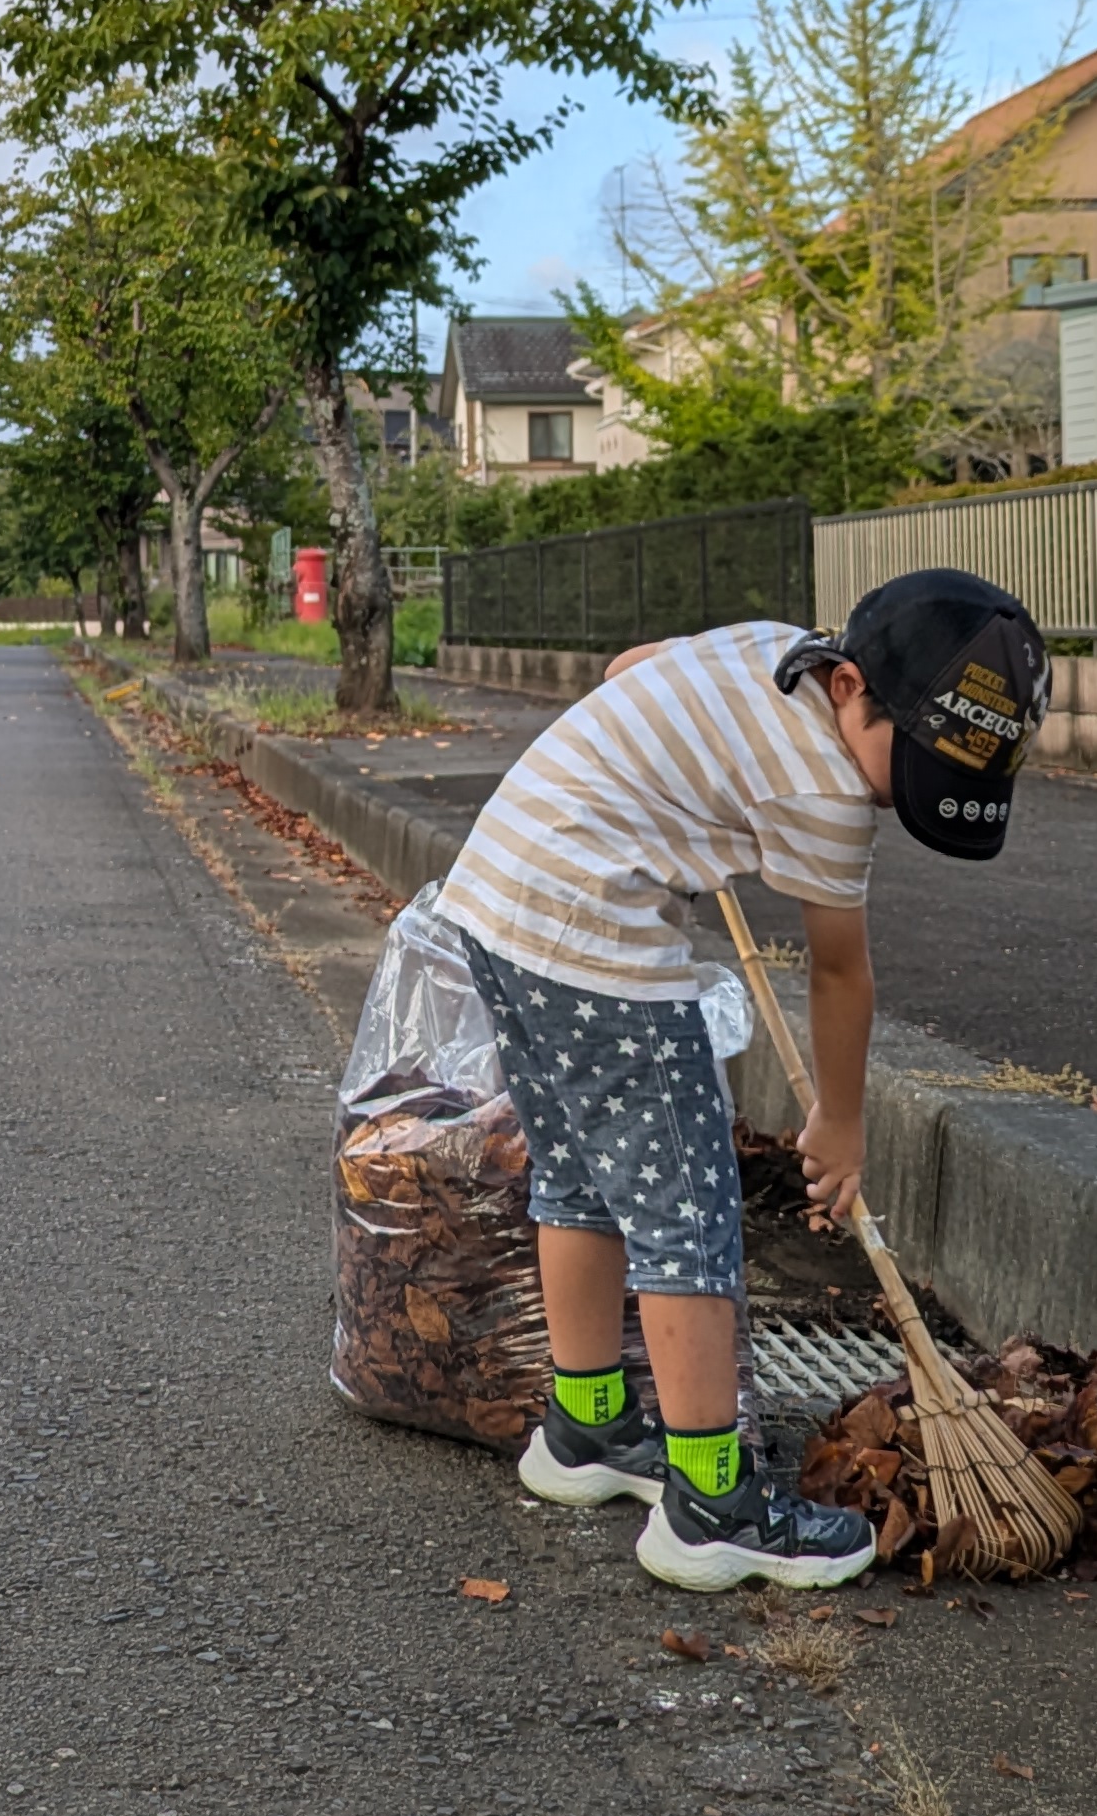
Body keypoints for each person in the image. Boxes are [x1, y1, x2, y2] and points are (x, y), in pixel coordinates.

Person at [427, 565, 1049, 1590]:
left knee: (580, 1178)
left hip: (500, 898)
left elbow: (631, 667)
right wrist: (840, 1123)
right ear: (849, 687)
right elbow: (842, 972)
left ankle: (584, 1430)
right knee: (689, 1214)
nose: (902, 794)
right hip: (593, 935)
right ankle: (712, 1505)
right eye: (916, 762)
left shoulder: (771, 643)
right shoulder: (826, 793)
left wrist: (680, 799)